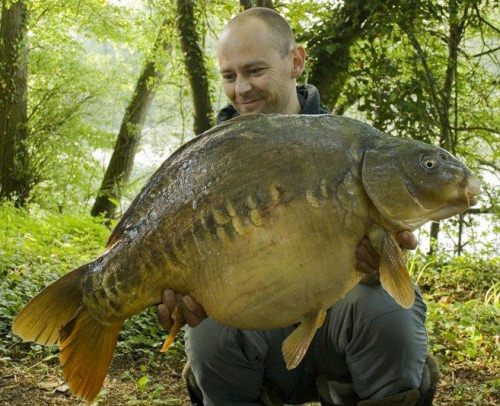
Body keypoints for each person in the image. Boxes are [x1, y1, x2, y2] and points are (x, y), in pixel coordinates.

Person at [157, 7, 438, 406]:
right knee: (211, 333)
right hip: (255, 331)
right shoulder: (207, 165)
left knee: (388, 310)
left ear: (296, 61)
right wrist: (180, 294)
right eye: (229, 76)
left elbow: (392, 264)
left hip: (336, 333)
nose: (242, 90)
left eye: (255, 71)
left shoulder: (349, 149)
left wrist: (379, 265)